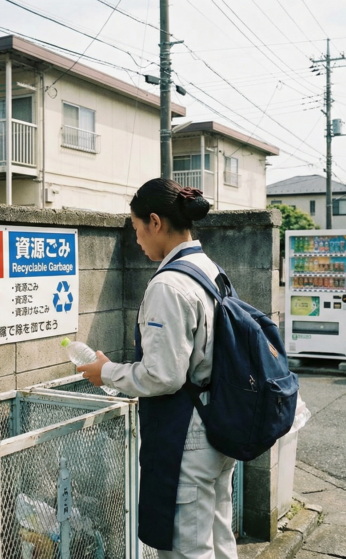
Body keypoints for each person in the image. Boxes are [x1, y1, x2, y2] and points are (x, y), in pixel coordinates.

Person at [78, 178, 237, 559]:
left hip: (188, 434)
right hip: (219, 421)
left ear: (154, 222)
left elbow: (163, 375)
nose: (136, 240)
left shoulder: (169, 285)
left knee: (188, 550)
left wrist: (107, 373)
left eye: (136, 229)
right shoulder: (209, 268)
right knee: (218, 538)